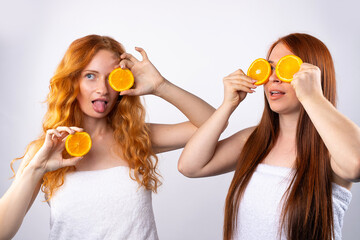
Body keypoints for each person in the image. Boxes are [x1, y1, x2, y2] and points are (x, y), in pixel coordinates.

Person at [0, 35, 215, 240]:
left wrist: (161, 86)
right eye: (90, 76)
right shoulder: (46, 150)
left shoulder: (136, 138)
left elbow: (212, 123)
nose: (102, 89)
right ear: (73, 82)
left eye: (111, 78)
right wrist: (36, 169)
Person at [178, 33, 360, 240]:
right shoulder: (253, 140)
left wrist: (313, 96)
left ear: (314, 77)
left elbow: (356, 165)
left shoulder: (332, 148)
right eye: (271, 67)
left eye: (287, 68)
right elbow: (190, 166)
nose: (273, 77)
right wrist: (228, 105)